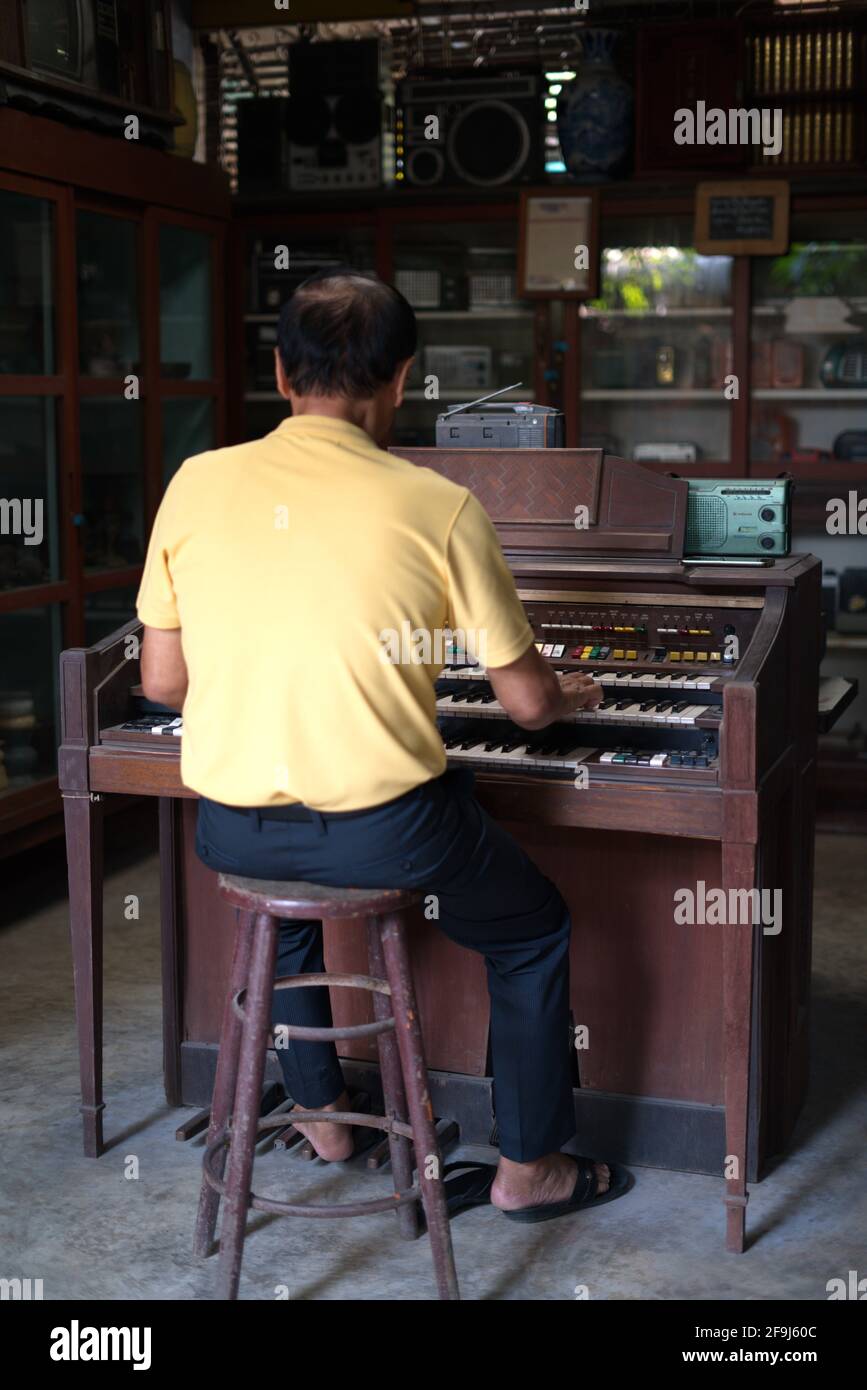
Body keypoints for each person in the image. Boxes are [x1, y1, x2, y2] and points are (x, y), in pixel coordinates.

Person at [137, 268, 629, 1222]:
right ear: (403, 379)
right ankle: (530, 1168)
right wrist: (574, 685)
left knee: (280, 927)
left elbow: (163, 684)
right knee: (530, 930)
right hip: (389, 832)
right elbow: (526, 706)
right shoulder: (435, 504)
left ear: (280, 373)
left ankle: (322, 1114)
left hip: (233, 829)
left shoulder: (196, 483)